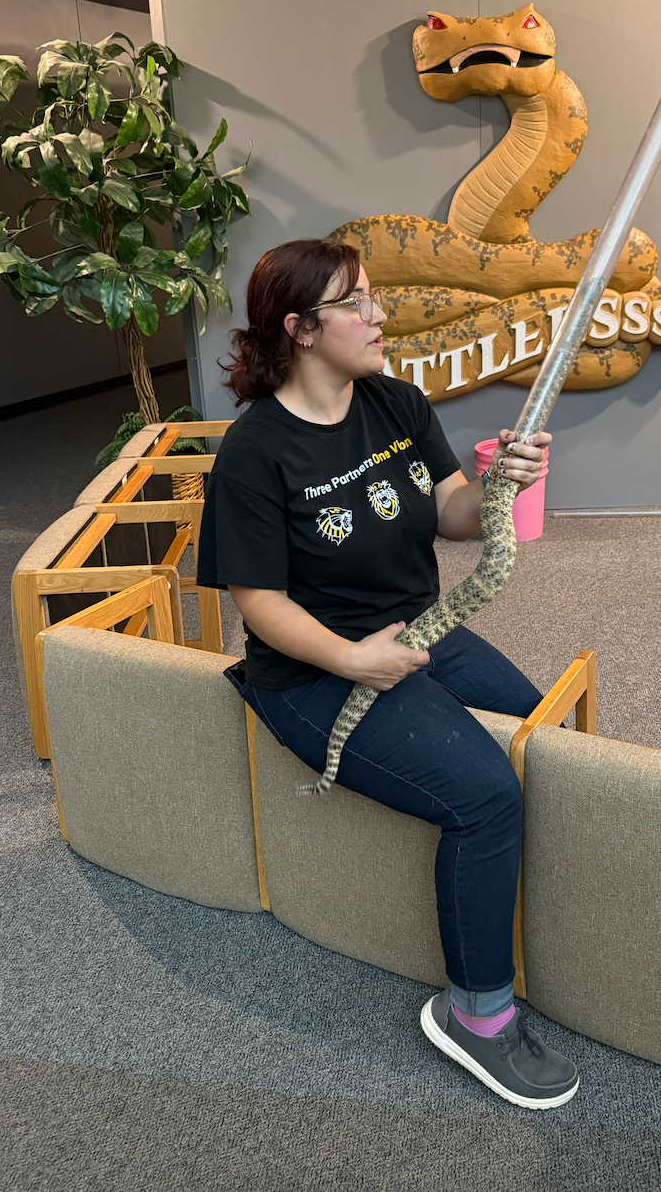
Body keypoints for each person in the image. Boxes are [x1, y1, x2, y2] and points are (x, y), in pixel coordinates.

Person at [198, 237, 579, 1110]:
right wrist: (354, 659)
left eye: (374, 298)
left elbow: (446, 512)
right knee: (487, 795)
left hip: (415, 628)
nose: (379, 317)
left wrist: (493, 489)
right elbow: (257, 603)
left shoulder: (396, 401)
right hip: (312, 668)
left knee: (542, 731)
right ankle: (476, 1016)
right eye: (357, 304)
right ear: (299, 329)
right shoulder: (256, 452)